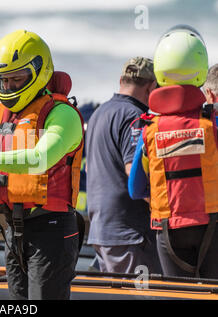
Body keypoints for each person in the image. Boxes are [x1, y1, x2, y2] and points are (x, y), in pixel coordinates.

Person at [0, 29, 84, 300]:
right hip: (13, 230)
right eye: (3, 80)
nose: (7, 87)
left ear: (38, 72)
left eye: (15, 79)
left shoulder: (62, 115)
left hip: (51, 230)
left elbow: (38, 159)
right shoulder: (4, 116)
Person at [128, 25, 218, 279]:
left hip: (168, 228)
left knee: (179, 295)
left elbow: (136, 188)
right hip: (212, 224)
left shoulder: (149, 129)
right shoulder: (213, 121)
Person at [86, 56, 161, 274]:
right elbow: (134, 172)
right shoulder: (135, 116)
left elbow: (90, 169)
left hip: (100, 230)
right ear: (151, 87)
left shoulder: (98, 113)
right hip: (129, 232)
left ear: (121, 80)